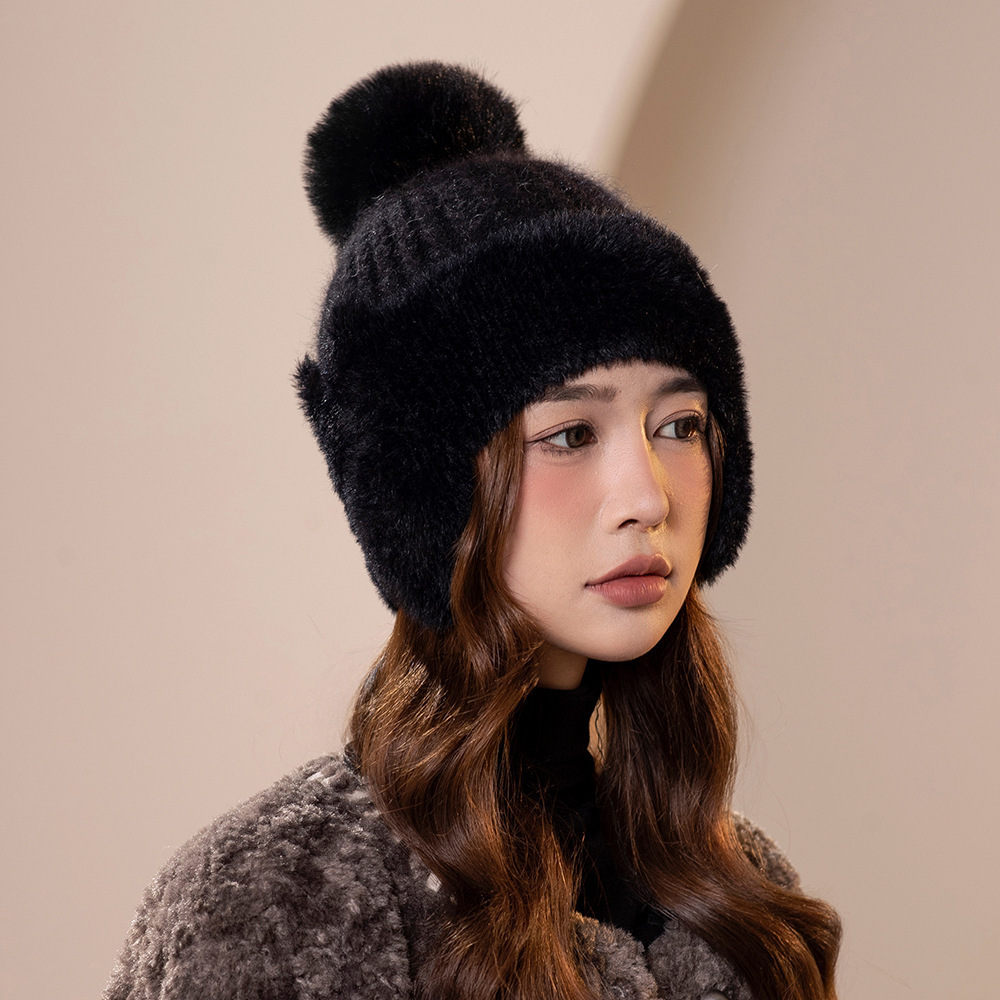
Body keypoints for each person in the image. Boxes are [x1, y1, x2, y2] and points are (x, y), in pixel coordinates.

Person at [104, 62, 841, 1000]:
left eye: (680, 425)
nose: (648, 497)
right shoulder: (283, 900)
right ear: (428, 495)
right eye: (570, 435)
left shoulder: (740, 892)